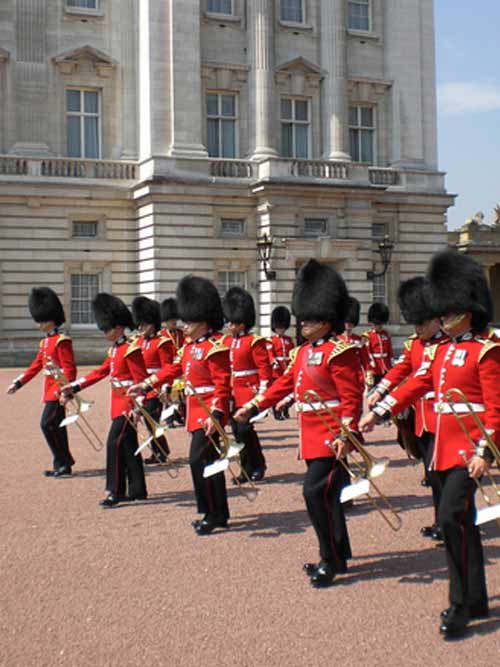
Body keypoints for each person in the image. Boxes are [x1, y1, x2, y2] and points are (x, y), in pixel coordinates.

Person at [361, 250, 499, 638]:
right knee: (461, 523)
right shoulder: (440, 351)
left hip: (467, 451)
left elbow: (495, 408)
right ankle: (475, 598)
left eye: (447, 313)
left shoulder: (486, 351)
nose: (440, 320)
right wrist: (380, 411)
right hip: (442, 449)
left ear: (466, 311)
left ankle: (459, 604)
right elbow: (417, 383)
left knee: (450, 517)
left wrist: (485, 452)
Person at [235, 260, 363, 587]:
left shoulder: (339, 352)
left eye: (311, 316)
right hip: (311, 433)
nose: (303, 321)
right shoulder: (303, 352)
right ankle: (339, 554)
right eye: (303, 316)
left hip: (332, 434)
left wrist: (345, 434)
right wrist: (253, 406)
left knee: (314, 494)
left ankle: (329, 559)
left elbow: (352, 398)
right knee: (328, 497)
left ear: (327, 318)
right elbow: (283, 384)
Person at [129, 276, 231, 535]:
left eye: (188, 320)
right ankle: (218, 512)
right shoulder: (189, 346)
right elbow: (173, 368)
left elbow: (222, 384)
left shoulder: (215, 346)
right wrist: (147, 384)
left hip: (209, 412)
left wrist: (217, 413)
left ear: (203, 319)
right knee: (208, 461)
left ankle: (210, 512)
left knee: (198, 460)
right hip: (196, 410)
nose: (183, 325)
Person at [367, 277, 446, 541]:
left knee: (444, 473)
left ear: (436, 318)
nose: (418, 327)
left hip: (446, 417)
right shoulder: (415, 343)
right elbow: (400, 369)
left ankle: (454, 521)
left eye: (422, 322)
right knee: (433, 474)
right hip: (423, 415)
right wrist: (379, 390)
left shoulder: (448, 343)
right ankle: (442, 520)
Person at [61, 293, 148, 507]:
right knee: (128, 445)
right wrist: (75, 386)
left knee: (113, 444)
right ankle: (138, 489)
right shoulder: (115, 349)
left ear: (118, 327)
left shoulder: (131, 348)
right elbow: (100, 372)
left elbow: (142, 381)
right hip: (117, 404)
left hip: (127, 405)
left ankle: (116, 491)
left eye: (106, 328)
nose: (104, 332)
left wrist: (137, 408)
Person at [7, 287, 76, 477]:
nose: (39, 325)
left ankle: (64, 461)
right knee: (56, 426)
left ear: (51, 319)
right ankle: (62, 463)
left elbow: (69, 369)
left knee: (47, 424)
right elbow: (35, 366)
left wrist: (66, 391)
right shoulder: (45, 342)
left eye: (41, 321)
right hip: (49, 389)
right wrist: (19, 383)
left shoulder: (62, 341)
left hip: (58, 390)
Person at [222, 286, 272, 482]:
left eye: (232, 322)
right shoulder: (227, 342)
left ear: (242, 323)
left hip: (248, 392)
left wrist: (262, 393)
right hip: (233, 391)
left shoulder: (254, 342)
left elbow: (264, 369)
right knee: (237, 433)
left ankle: (258, 465)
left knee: (245, 430)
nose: (229, 325)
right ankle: (246, 468)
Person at [132, 296, 172, 464]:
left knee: (151, 420)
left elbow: (167, 367)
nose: (141, 328)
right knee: (147, 422)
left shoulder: (162, 342)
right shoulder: (137, 342)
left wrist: (165, 388)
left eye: (144, 324)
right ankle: (160, 449)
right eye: (139, 324)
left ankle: (160, 451)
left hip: (155, 388)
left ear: (153, 324)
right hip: (140, 387)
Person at [159, 297, 185, 427]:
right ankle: (169, 419)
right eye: (171, 320)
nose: (173, 322)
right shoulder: (162, 335)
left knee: (181, 394)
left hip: (180, 367)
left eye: (175, 319)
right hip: (168, 367)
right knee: (169, 394)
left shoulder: (181, 334)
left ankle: (179, 415)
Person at [267, 306, 294, 420]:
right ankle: (277, 413)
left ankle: (285, 411)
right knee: (277, 392)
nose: (281, 330)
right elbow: (269, 353)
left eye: (282, 327)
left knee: (286, 391)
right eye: (278, 328)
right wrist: (273, 361)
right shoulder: (271, 340)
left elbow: (292, 352)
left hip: (286, 367)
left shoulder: (289, 340)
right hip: (276, 370)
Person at [363, 302, 393, 389]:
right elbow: (367, 354)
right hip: (375, 369)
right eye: (377, 324)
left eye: (381, 324)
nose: (379, 326)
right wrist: (369, 369)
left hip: (386, 367)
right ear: (372, 323)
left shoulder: (386, 334)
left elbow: (389, 351)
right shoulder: (367, 336)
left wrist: (391, 364)